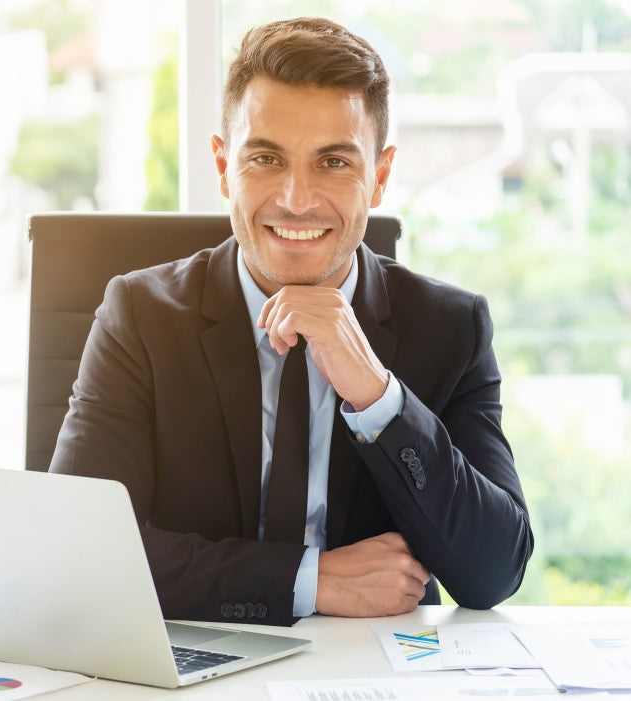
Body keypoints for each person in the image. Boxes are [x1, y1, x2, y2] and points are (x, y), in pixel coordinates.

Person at [49, 17, 533, 626]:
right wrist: (311, 580)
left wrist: (377, 396)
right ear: (224, 167)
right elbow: (79, 551)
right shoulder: (140, 318)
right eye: (266, 159)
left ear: (379, 177)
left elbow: (493, 571)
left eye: (333, 162)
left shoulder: (452, 329)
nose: (297, 199)